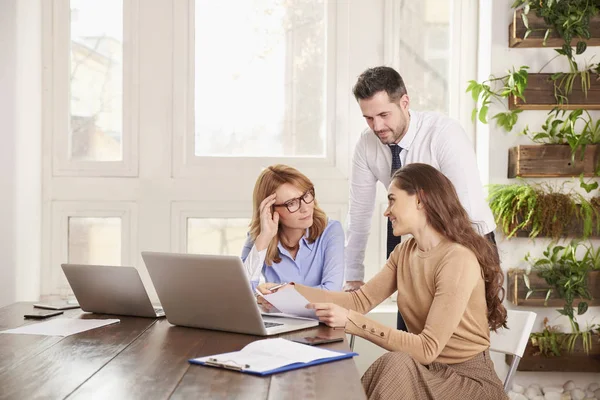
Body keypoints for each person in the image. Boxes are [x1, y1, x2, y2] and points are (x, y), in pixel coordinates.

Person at [260, 163, 508, 400]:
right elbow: (359, 301)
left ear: (420, 199)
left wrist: (351, 322)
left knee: (397, 364)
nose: (386, 211)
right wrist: (289, 291)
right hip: (428, 372)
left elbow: (427, 348)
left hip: (468, 383)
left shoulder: (457, 259)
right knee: (396, 365)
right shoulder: (405, 252)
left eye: (392, 200)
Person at [344, 66, 497, 331]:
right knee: (408, 340)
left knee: (459, 341)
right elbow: (359, 214)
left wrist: (457, 266)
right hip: (419, 247)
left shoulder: (443, 134)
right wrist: (353, 276)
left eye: (383, 114)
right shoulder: (367, 144)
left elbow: (465, 211)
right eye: (368, 118)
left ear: (404, 102)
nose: (377, 126)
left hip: (468, 240)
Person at [241, 164, 344, 291]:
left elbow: (332, 291)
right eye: (292, 203)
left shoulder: (331, 231)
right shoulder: (260, 237)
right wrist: (265, 237)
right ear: (271, 209)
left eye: (306, 195)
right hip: (273, 312)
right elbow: (242, 292)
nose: (305, 208)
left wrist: (282, 291)